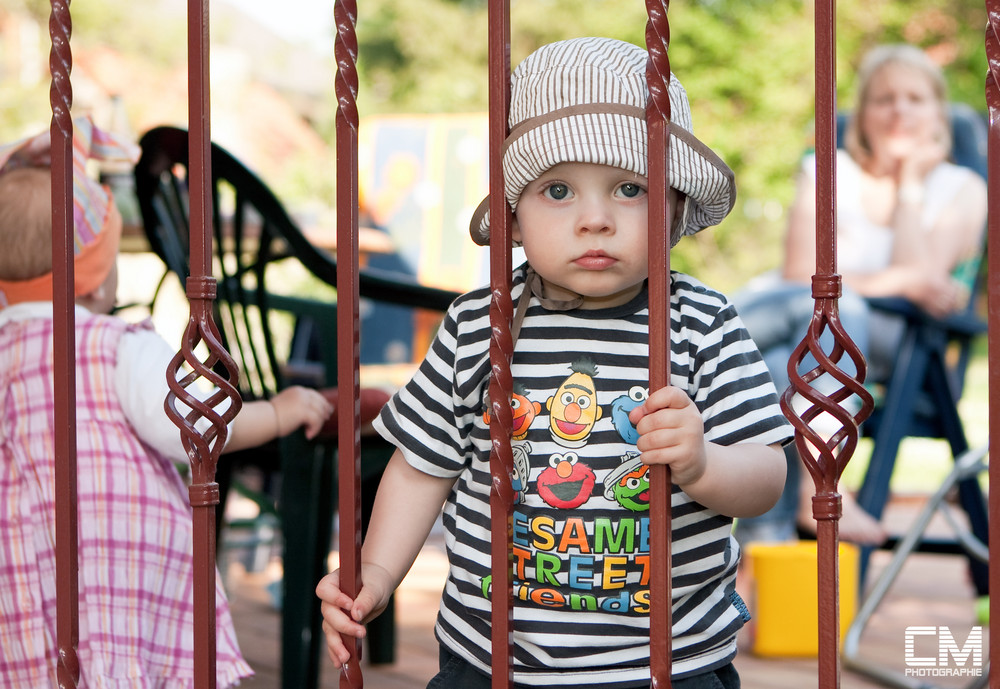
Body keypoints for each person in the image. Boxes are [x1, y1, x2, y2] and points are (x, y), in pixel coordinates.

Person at [317, 37, 791, 688]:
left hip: (665, 665)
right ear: (512, 217)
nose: (595, 219)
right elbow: (422, 465)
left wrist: (703, 462)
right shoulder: (479, 323)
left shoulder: (702, 323)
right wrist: (374, 574)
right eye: (559, 189)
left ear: (676, 207)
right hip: (489, 660)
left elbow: (768, 474)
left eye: (629, 187)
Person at [0, 118, 335, 688]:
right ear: (95, 276)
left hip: (20, 573)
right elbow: (194, 426)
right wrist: (279, 412)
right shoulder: (110, 346)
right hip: (115, 569)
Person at [731, 44, 988, 547]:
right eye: (884, 98)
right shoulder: (827, 172)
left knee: (836, 314)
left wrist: (911, 184)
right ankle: (800, 514)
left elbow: (925, 285)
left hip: (896, 344)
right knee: (784, 363)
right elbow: (796, 276)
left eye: (915, 98)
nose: (899, 110)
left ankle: (696, 351)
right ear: (862, 114)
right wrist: (898, 279)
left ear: (939, 112)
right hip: (795, 323)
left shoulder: (962, 188)